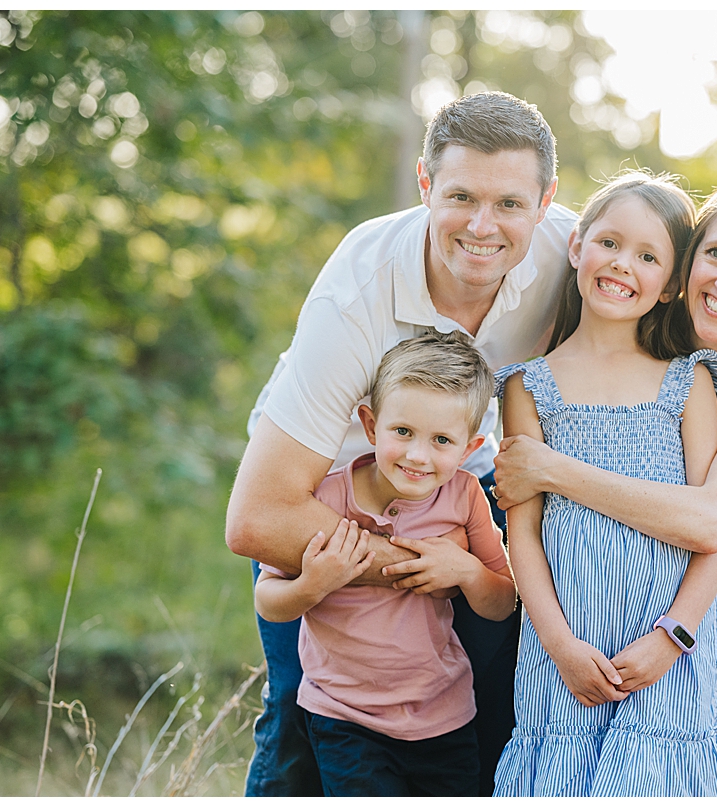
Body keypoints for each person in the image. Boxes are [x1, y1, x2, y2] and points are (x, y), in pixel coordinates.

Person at [225, 91, 575, 797]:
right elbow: (259, 517)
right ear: (423, 183)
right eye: (460, 197)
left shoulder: (576, 255)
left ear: (545, 202)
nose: (483, 226)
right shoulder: (355, 293)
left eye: (510, 203)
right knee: (303, 725)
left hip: (459, 492)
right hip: (334, 491)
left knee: (492, 716)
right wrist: (424, 568)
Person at [492, 173, 717, 680]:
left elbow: (710, 524)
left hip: (696, 591)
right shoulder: (627, 320)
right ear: (686, 265)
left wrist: (550, 470)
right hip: (570, 589)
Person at [491, 171, 717, 796]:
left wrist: (672, 639)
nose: (623, 265)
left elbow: (713, 529)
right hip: (568, 649)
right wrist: (558, 645)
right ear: (576, 247)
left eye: (648, 256)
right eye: (610, 243)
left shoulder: (689, 380)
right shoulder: (528, 386)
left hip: (677, 651)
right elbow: (525, 538)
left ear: (671, 285)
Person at [254, 332, 517, 796]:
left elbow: (502, 601)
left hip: (443, 716)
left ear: (471, 448)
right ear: (371, 426)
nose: (418, 455)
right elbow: (268, 599)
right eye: (403, 433)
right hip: (345, 717)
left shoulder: (465, 496)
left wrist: (466, 571)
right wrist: (311, 586)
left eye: (441, 440)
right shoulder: (326, 497)